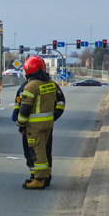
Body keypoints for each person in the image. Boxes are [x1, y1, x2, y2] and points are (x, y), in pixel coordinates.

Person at [16, 56, 65, 189]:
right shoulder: (51, 83)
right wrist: (54, 116)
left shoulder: (31, 86)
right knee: (46, 150)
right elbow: (61, 101)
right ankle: (47, 175)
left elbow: (25, 108)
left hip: (34, 126)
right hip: (48, 124)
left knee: (37, 151)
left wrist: (20, 124)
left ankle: (39, 179)